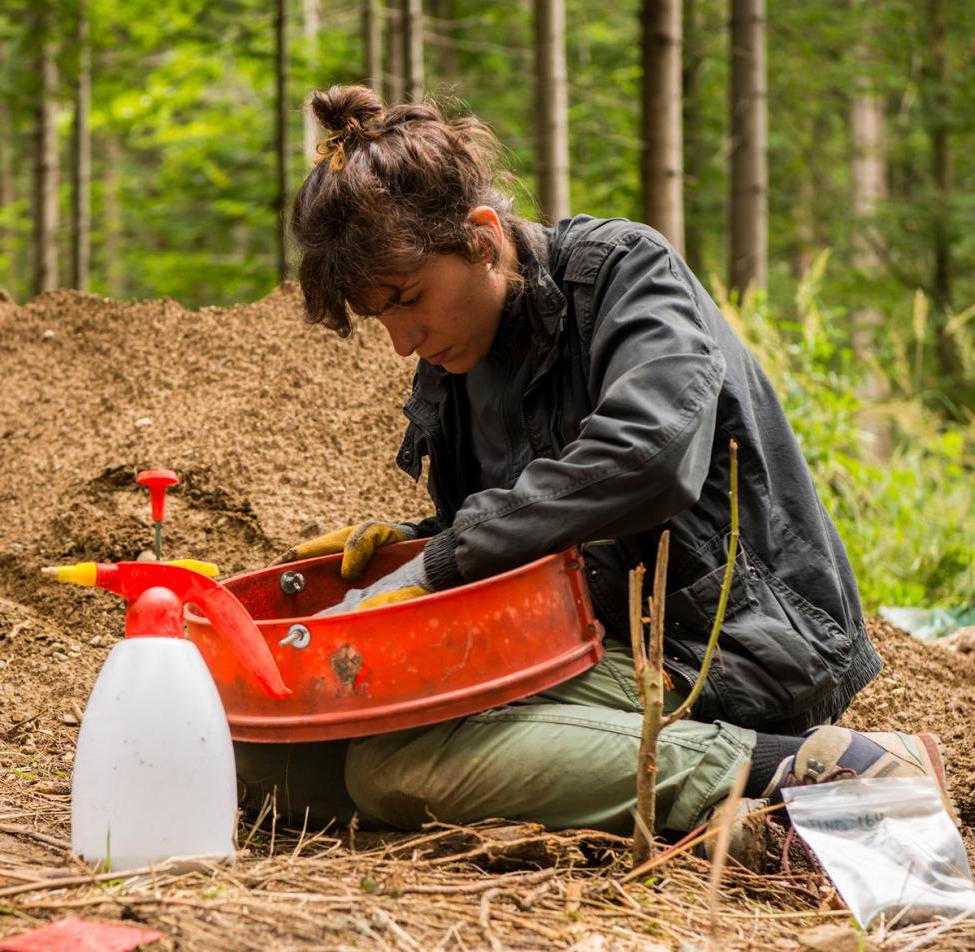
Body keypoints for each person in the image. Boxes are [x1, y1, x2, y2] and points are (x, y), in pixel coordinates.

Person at [238, 85, 951, 867]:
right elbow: (526, 520)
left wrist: (450, 555)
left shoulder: (624, 273)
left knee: (395, 765)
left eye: (408, 300)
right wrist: (415, 546)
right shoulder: (457, 357)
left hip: (735, 641)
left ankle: (811, 772)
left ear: (481, 237)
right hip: (579, 637)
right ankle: (672, 789)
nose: (402, 341)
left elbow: (648, 456)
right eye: (380, 317)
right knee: (274, 766)